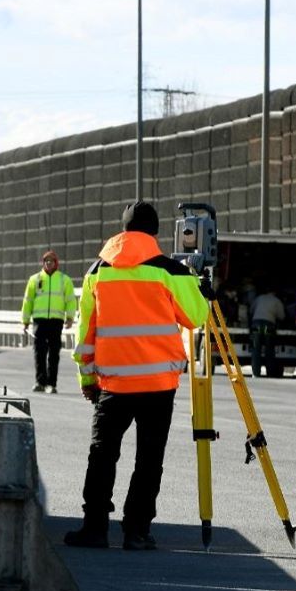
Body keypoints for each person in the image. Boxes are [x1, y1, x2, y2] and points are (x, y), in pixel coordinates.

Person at [65, 201, 209, 550]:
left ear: (123, 230)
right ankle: (137, 531)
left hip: (113, 382)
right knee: (149, 458)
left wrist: (86, 377)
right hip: (159, 384)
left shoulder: (97, 271)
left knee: (102, 454)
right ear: (155, 232)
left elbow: (86, 330)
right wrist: (198, 287)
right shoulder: (169, 271)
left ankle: (95, 528)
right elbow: (196, 317)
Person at [20, 250, 76, 393]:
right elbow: (28, 301)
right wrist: (25, 320)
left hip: (56, 322)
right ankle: (40, 382)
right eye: (46, 260)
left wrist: (70, 318)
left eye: (51, 260)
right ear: (43, 263)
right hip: (39, 321)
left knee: (54, 353)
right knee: (39, 352)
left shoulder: (64, 280)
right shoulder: (35, 279)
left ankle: (51, 384)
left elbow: (70, 301)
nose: (48, 263)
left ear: (56, 263)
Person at [249, 285, 286, 378]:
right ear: (275, 293)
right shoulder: (277, 301)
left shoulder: (259, 298)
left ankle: (256, 373)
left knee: (256, 349)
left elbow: (251, 310)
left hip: (256, 324)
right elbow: (282, 316)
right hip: (268, 325)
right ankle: (270, 372)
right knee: (269, 349)